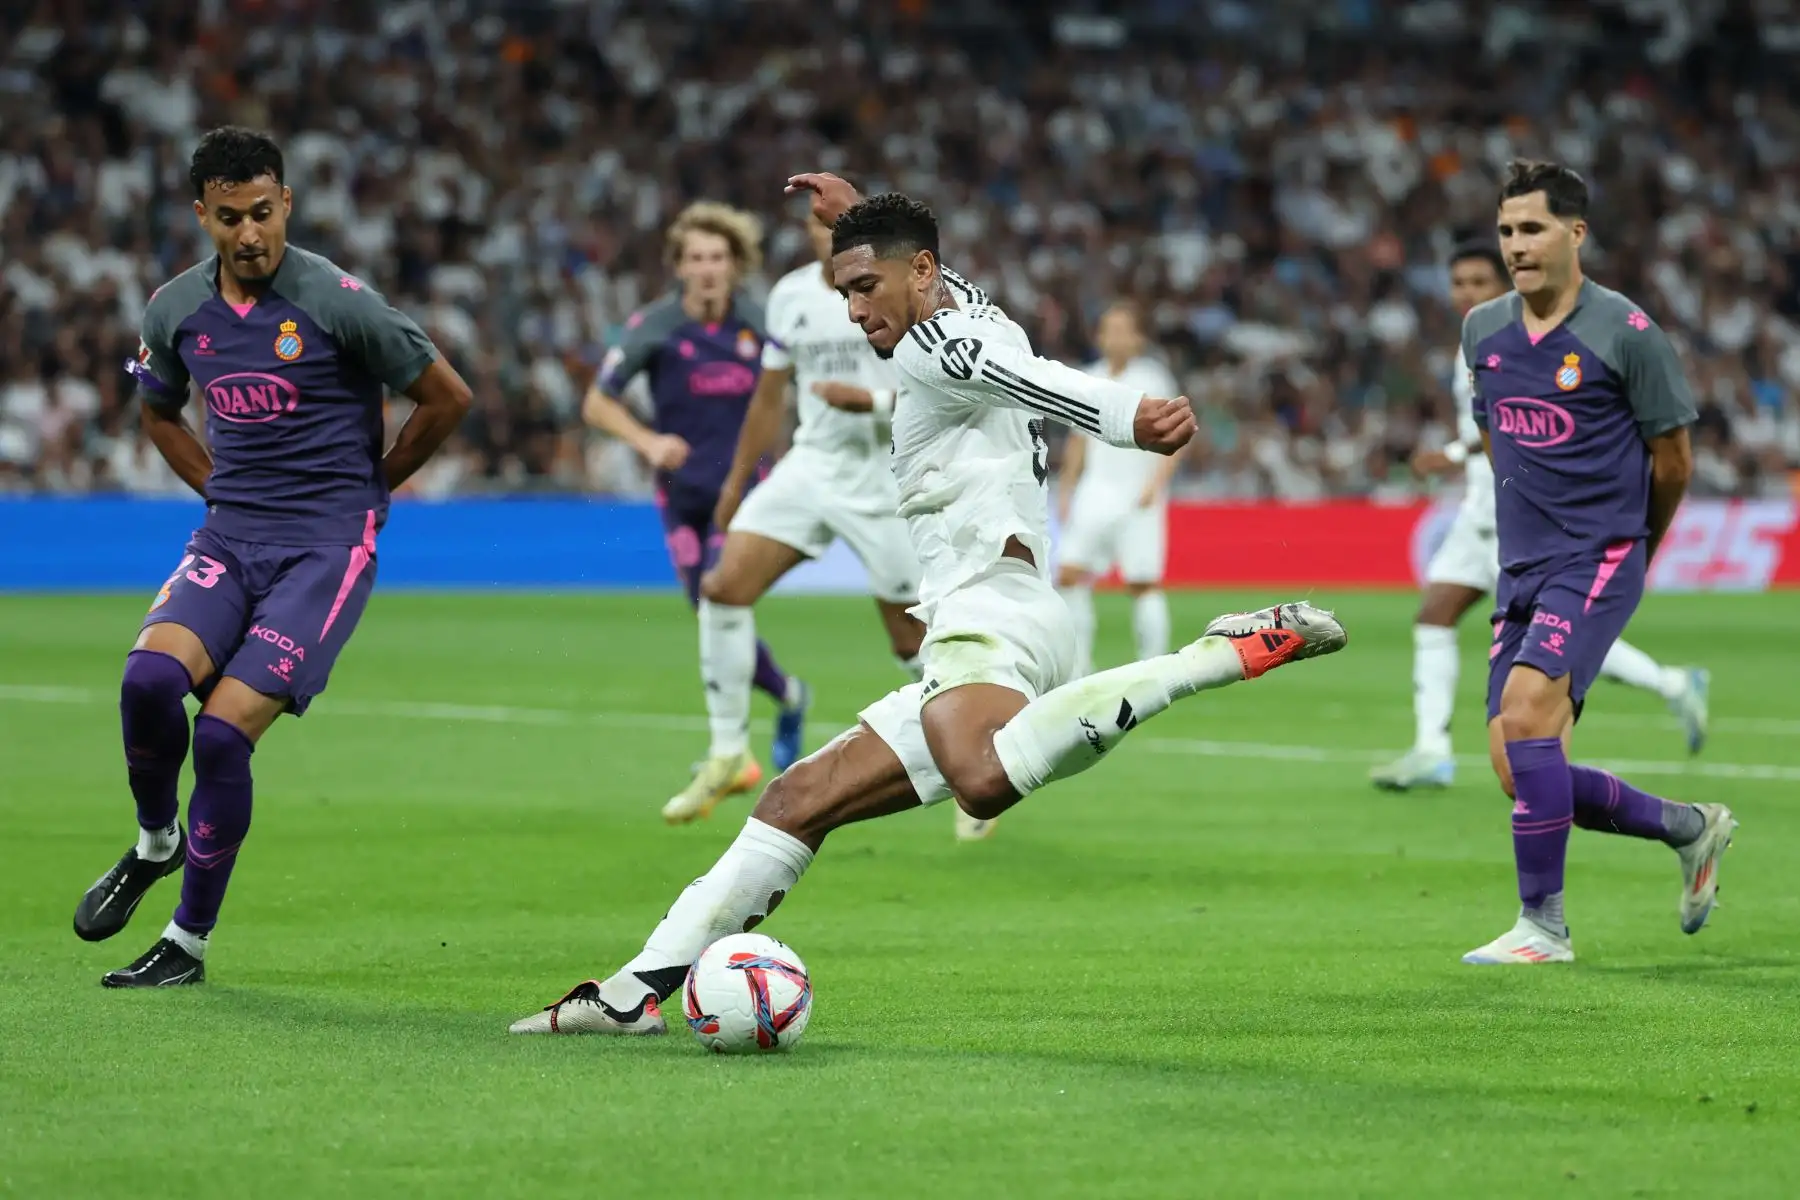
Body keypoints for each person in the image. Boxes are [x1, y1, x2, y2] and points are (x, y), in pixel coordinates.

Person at [508, 174, 1347, 1035]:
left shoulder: (939, 347)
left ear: (921, 273)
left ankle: (1216, 654)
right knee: (800, 800)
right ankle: (632, 995)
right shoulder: (973, 308)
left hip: (989, 613)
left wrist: (1131, 417)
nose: (853, 313)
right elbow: (965, 314)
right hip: (999, 619)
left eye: (866, 288)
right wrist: (862, 218)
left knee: (981, 780)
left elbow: (1028, 378)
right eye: (842, 292)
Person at [76, 126, 471, 986]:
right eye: (229, 218)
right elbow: (157, 411)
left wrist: (378, 483)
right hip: (232, 533)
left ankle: (186, 944)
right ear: (202, 216)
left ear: (286, 202)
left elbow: (447, 395)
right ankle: (155, 841)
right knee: (147, 682)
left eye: (262, 212)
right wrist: (217, 490)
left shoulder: (339, 300)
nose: (248, 233)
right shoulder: (175, 309)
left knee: (219, 736)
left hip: (327, 546)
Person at [1459, 160, 1735, 966]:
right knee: (1520, 770)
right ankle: (1690, 826)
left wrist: (1634, 541)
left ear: (1576, 232)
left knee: (1528, 714)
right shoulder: (1483, 330)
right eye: (1507, 230)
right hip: (1524, 566)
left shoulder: (1627, 333)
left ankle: (1543, 926)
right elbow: (1496, 434)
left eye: (1533, 228)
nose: (1516, 245)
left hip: (1601, 552)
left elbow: (1673, 458)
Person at [1372, 244, 1710, 791]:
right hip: (1481, 506)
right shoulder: (1477, 339)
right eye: (1458, 282)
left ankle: (1672, 685)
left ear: (1506, 281)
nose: (1467, 292)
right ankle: (1431, 749)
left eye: (1479, 281)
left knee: (1544, 636)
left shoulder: (1523, 340)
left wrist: (1451, 456)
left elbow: (1522, 426)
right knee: (1435, 617)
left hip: (1514, 510)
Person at [673, 208, 934, 830]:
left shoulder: (901, 289)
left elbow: (940, 381)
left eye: (840, 229)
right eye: (821, 230)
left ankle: (972, 742)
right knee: (722, 588)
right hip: (811, 466)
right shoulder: (790, 297)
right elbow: (769, 397)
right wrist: (738, 483)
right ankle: (729, 751)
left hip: (886, 473)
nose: (828, 239)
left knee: (909, 641)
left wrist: (867, 401)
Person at [582, 202, 810, 800]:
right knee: (708, 611)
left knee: (719, 604)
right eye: (696, 259)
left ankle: (728, 751)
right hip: (681, 497)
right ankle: (786, 694)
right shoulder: (655, 327)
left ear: (737, 266)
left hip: (746, 498)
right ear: (679, 268)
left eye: (718, 258)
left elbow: (797, 393)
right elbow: (597, 402)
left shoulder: (762, 323)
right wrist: (647, 439)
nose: (708, 269)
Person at [1054, 302, 1182, 679]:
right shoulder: (1090, 377)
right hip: (1095, 493)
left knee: (1142, 582)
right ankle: (1078, 666)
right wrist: (1066, 489)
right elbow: (1078, 440)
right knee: (1068, 576)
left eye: (1123, 329)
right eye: (1109, 329)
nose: (1115, 337)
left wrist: (1156, 485)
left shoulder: (1153, 379)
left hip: (1138, 495)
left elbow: (1179, 436)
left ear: (1139, 338)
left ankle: (1154, 667)